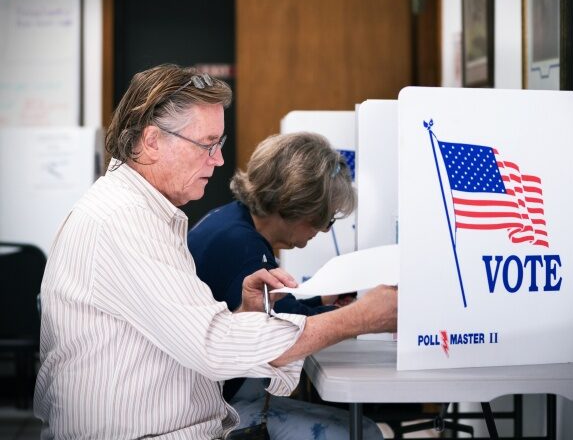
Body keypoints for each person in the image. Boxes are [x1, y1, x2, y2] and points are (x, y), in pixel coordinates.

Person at [33, 64, 397, 440]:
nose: (219, 160)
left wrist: (242, 313)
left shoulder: (141, 213)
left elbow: (185, 339)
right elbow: (213, 346)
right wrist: (360, 319)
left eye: (219, 145)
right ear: (153, 140)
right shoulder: (123, 220)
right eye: (207, 145)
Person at [188, 132, 382, 439]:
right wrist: (366, 315)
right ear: (299, 205)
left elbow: (280, 311)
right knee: (365, 433)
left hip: (210, 395)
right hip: (216, 411)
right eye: (326, 219)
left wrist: (324, 301)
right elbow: (286, 332)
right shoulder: (243, 247)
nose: (323, 229)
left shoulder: (232, 222)